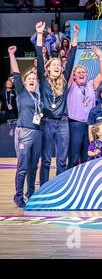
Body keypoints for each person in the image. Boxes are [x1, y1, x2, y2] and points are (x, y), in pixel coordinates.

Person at [35, 21, 78, 186]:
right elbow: (39, 55)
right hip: (46, 122)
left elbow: (72, 55)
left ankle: (60, 188)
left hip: (63, 122)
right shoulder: (43, 79)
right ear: (47, 68)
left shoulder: (65, 79)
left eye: (59, 65)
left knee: (62, 159)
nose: (57, 67)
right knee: (45, 159)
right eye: (53, 64)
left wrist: (75, 36)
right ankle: (44, 188)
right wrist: (39, 34)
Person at [8, 46, 42, 208]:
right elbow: (15, 72)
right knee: (23, 166)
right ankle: (18, 195)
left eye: (34, 78)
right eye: (29, 77)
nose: (32, 79)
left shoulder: (39, 96)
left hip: (38, 133)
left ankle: (31, 193)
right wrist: (11, 54)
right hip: (24, 132)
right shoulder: (21, 92)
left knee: (33, 165)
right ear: (24, 81)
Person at [67, 45, 102, 168]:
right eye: (78, 72)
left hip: (90, 125)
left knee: (87, 157)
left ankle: (84, 181)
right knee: (74, 158)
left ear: (87, 75)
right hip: (75, 124)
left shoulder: (91, 84)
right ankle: (71, 181)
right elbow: (68, 70)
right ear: (74, 76)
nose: (81, 73)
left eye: (83, 72)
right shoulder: (71, 85)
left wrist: (100, 57)